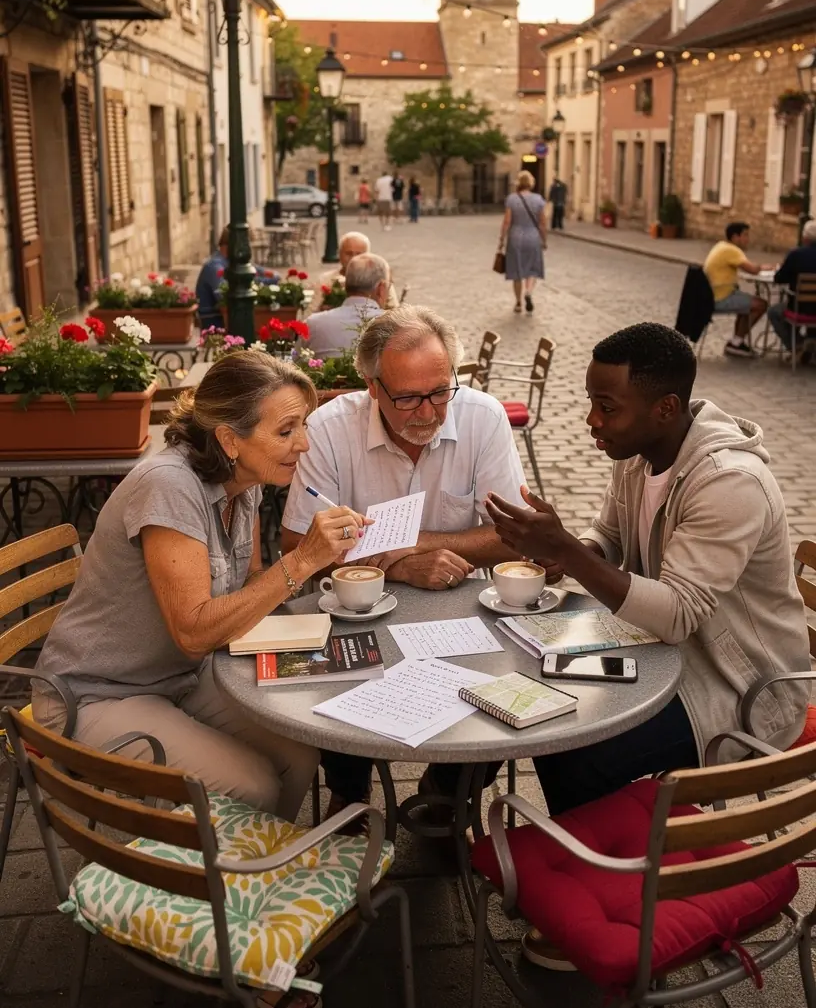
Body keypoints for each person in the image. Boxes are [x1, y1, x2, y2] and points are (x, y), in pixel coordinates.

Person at [485, 322, 808, 969]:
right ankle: (591, 856)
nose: (590, 421)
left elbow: (681, 614)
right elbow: (607, 540)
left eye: (608, 406)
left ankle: (604, 879)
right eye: (590, 401)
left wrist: (572, 556)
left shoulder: (728, 483)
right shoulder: (641, 455)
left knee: (571, 741)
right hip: (658, 655)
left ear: (666, 409)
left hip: (733, 685)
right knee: (537, 699)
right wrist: (565, 557)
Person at [32, 352, 372, 824]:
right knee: (253, 784)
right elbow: (194, 631)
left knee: (303, 754)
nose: (305, 444)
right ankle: (228, 883)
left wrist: (314, 566)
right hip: (96, 693)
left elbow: (250, 587)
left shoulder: (245, 481)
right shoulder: (169, 486)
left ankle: (256, 870)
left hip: (180, 675)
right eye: (287, 430)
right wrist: (300, 561)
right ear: (230, 439)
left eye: (305, 426)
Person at [281, 305, 528, 820]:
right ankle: (349, 797)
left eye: (440, 391)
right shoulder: (329, 429)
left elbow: (516, 537)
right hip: (353, 609)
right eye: (408, 398)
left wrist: (421, 541)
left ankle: (447, 795)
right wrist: (396, 568)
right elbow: (295, 544)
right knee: (333, 677)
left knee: (511, 686)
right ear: (372, 387)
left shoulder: (482, 417)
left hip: (464, 606)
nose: (428, 412)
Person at [702, 221, 767, 358]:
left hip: (711, 295)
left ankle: (737, 342)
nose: (747, 239)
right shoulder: (731, 250)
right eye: (745, 235)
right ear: (735, 237)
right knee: (761, 305)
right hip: (720, 297)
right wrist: (767, 267)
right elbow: (752, 269)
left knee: (746, 302)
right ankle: (736, 342)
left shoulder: (721, 246)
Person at [306, 253, 390, 358]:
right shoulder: (394, 327)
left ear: (345, 285)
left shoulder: (313, 323)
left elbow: (296, 363)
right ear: (381, 289)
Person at [195, 225, 275, 330]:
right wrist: (263, 281)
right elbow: (223, 296)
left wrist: (270, 276)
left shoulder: (231, 261)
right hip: (216, 323)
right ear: (233, 245)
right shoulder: (214, 267)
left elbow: (259, 271)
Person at [499, 170, 547, 314]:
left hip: (515, 237)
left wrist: (502, 239)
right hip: (533, 236)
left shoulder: (512, 199)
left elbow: (507, 221)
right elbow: (543, 223)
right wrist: (544, 240)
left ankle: (519, 303)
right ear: (531, 183)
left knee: (516, 271)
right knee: (532, 268)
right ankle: (528, 292)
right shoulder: (538, 199)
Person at [768, 218, 816, 358]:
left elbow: (779, 279)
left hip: (798, 307)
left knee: (774, 312)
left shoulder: (796, 255)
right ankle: (810, 342)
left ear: (805, 237)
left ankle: (797, 345)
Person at [317, 231, 398, 311]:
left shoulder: (381, 281)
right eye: (349, 253)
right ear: (339, 254)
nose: (353, 258)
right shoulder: (325, 279)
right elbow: (312, 310)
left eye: (359, 254)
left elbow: (394, 309)